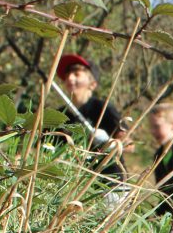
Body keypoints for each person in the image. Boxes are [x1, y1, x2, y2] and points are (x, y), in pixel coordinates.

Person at [55, 53, 130, 191]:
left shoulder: (103, 108)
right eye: (67, 75)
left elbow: (129, 144)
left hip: (110, 183)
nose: (70, 78)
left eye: (77, 74)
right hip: (74, 187)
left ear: (92, 84)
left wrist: (108, 141)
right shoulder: (60, 115)